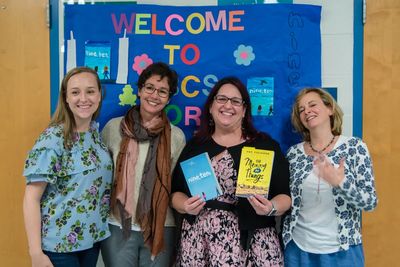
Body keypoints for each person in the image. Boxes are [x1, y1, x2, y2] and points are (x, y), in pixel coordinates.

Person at [171, 76, 291, 266]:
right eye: (221, 99)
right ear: (210, 107)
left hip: (254, 242)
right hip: (200, 242)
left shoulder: (265, 146)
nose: (228, 105)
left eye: (236, 101)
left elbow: (285, 196)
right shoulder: (195, 146)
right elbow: (175, 193)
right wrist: (185, 205)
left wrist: (271, 208)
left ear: (244, 110)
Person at [23, 66, 113, 267]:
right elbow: (31, 198)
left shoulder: (95, 135)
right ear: (66, 98)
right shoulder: (53, 139)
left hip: (91, 241)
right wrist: (35, 253)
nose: (83, 98)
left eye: (90, 91)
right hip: (59, 247)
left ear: (99, 95)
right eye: (75, 92)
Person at [100, 62, 186, 267]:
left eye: (162, 91)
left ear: (169, 98)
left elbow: (179, 186)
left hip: (161, 228)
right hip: (118, 225)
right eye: (149, 88)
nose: (154, 95)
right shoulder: (113, 128)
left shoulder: (177, 137)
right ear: (139, 90)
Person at [282, 88, 378, 266]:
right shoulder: (293, 154)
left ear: (330, 109)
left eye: (312, 105)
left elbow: (370, 202)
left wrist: (340, 182)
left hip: (343, 251)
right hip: (298, 250)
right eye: (301, 109)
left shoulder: (354, 147)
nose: (307, 111)